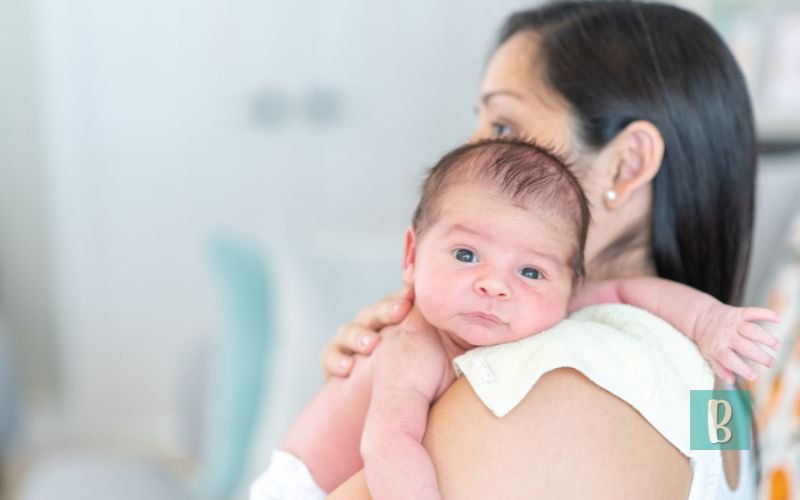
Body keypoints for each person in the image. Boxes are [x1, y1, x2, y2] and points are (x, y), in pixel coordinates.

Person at [319, 1, 770, 499]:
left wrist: (320, 449)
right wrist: (367, 392)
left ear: (626, 165)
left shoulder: (555, 382)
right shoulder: (718, 384)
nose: (470, 153)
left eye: (503, 127)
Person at [252, 138, 777, 499]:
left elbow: (627, 289)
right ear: (411, 255)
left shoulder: (574, 366)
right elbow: (387, 442)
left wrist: (713, 322)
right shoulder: (704, 380)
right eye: (465, 255)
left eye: (502, 122)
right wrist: (706, 323)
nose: (493, 284)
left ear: (627, 163)